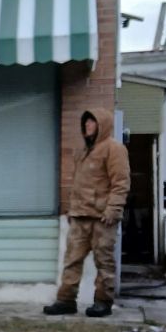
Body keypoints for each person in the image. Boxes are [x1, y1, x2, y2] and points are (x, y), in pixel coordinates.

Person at [44, 107, 130, 318]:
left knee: (104, 261)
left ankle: (103, 301)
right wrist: (71, 210)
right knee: (71, 260)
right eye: (86, 122)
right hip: (80, 216)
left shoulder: (114, 149)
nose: (87, 126)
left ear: (102, 125)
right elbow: (78, 184)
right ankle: (66, 300)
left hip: (103, 218)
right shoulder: (83, 151)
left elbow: (121, 182)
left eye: (92, 122)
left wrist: (113, 209)